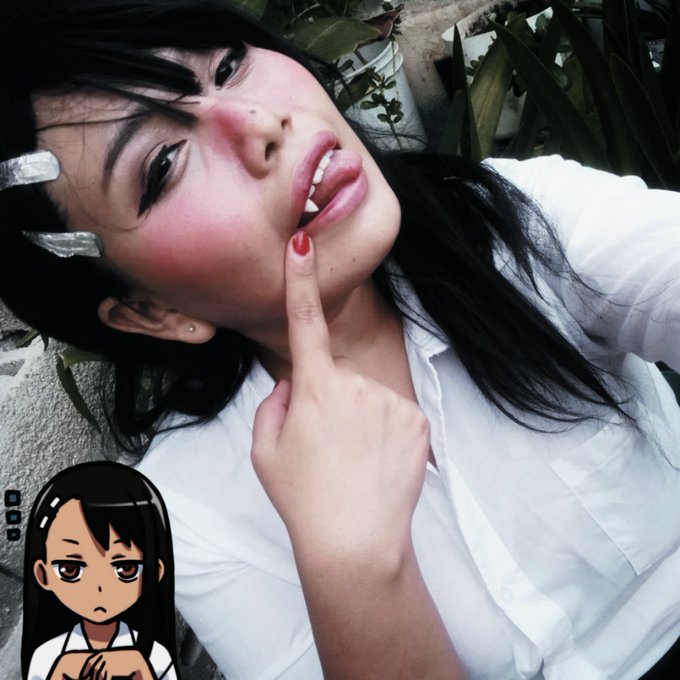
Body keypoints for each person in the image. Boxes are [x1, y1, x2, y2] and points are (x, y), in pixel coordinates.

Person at [1, 0, 680, 677]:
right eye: (163, 165)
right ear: (150, 311)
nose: (259, 122)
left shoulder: (518, 226)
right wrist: (351, 565)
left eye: (228, 66)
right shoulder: (196, 506)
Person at [21, 461, 179, 679]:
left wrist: (142, 672)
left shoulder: (156, 657)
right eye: (70, 569)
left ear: (155, 573)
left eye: (125, 568)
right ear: (43, 574)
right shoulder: (47, 656)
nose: (99, 588)